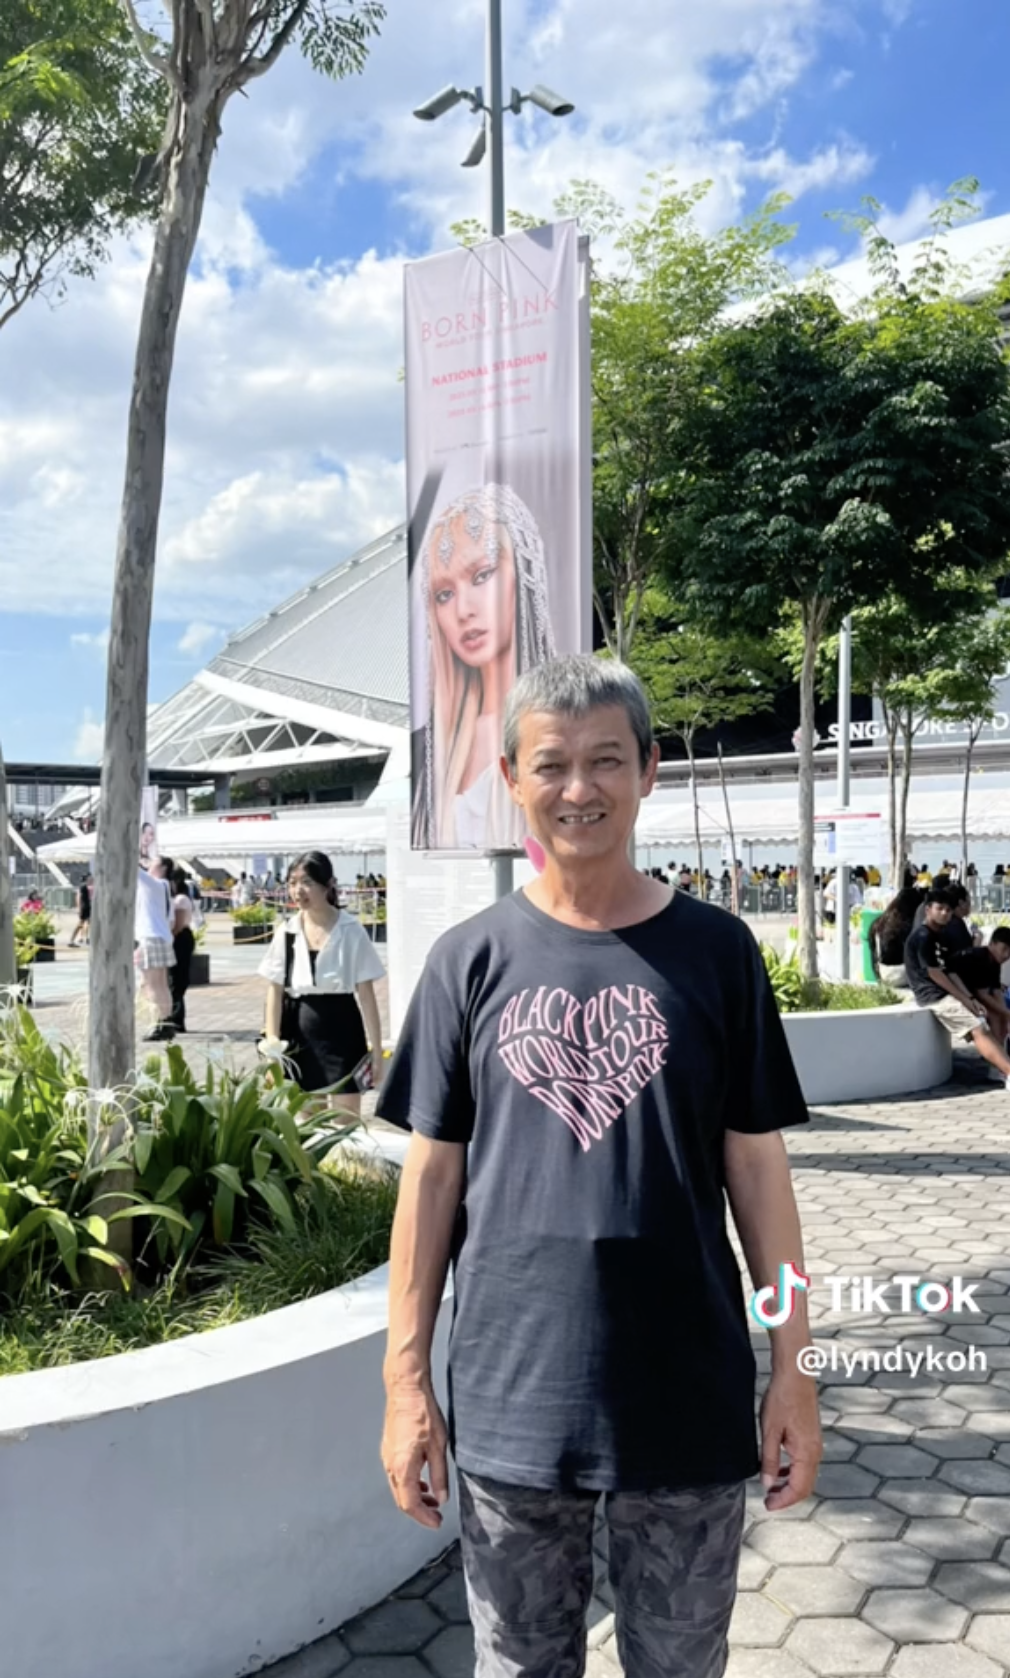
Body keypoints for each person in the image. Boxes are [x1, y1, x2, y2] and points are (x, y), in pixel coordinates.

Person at [378, 655, 821, 1678]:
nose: (578, 788)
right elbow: (429, 1186)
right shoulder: (467, 960)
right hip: (509, 1408)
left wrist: (792, 1370)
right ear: (510, 779)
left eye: (605, 761)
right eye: (552, 765)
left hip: (685, 1400)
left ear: (649, 771)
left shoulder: (716, 954)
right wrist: (406, 1383)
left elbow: (759, 1178)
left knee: (679, 1664)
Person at [410, 483, 557, 850]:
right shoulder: (429, 748)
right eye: (444, 594)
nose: (463, 610)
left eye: (481, 576)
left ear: (523, 574)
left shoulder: (564, 725)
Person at [258, 850, 385, 1114]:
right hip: (300, 1033)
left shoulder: (351, 930)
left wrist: (376, 1049)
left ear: (329, 885)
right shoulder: (287, 931)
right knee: (306, 1123)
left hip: (343, 1030)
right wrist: (273, 1044)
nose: (298, 891)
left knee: (346, 1121)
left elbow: (366, 995)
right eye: (292, 883)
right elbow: (274, 991)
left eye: (307, 882)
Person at [904, 890, 1010, 1084]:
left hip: (947, 993)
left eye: (948, 910)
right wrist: (965, 999)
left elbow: (951, 972)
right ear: (928, 910)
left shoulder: (940, 937)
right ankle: (1007, 1071)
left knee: (989, 1021)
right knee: (978, 1028)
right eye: (940, 908)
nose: (945, 913)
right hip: (934, 996)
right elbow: (935, 974)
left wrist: (967, 999)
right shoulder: (922, 937)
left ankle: (1000, 1070)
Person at [949, 927, 1010, 1050]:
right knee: (994, 1016)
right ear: (992, 944)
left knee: (1000, 1015)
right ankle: (997, 1056)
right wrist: (1006, 1013)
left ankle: (999, 1052)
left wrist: (1005, 1012)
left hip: (970, 993)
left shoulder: (994, 961)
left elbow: (996, 991)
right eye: (1004, 949)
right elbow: (982, 994)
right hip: (953, 992)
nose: (1007, 955)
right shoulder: (979, 957)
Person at [135, 857, 176, 1041]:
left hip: (151, 937)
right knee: (161, 984)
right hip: (161, 936)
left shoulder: (155, 884)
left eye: (153, 862)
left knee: (151, 984)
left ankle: (158, 1022)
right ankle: (165, 1022)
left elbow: (135, 871)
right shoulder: (164, 886)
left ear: (162, 868)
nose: (149, 864)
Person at [868, 883, 923, 987]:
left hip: (884, 974)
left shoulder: (878, 923)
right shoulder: (909, 924)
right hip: (903, 975)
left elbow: (873, 955)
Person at [167, 867, 195, 1033]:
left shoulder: (180, 900)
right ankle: (176, 1018)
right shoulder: (180, 898)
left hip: (180, 938)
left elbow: (178, 926)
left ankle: (177, 1019)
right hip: (181, 937)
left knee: (177, 979)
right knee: (176, 980)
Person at [69, 875, 93, 947]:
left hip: (88, 907)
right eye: (90, 879)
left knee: (88, 923)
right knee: (80, 925)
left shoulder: (88, 887)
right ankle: (72, 940)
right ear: (86, 880)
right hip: (84, 907)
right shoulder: (83, 887)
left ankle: (86, 938)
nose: (91, 880)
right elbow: (79, 897)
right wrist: (79, 909)